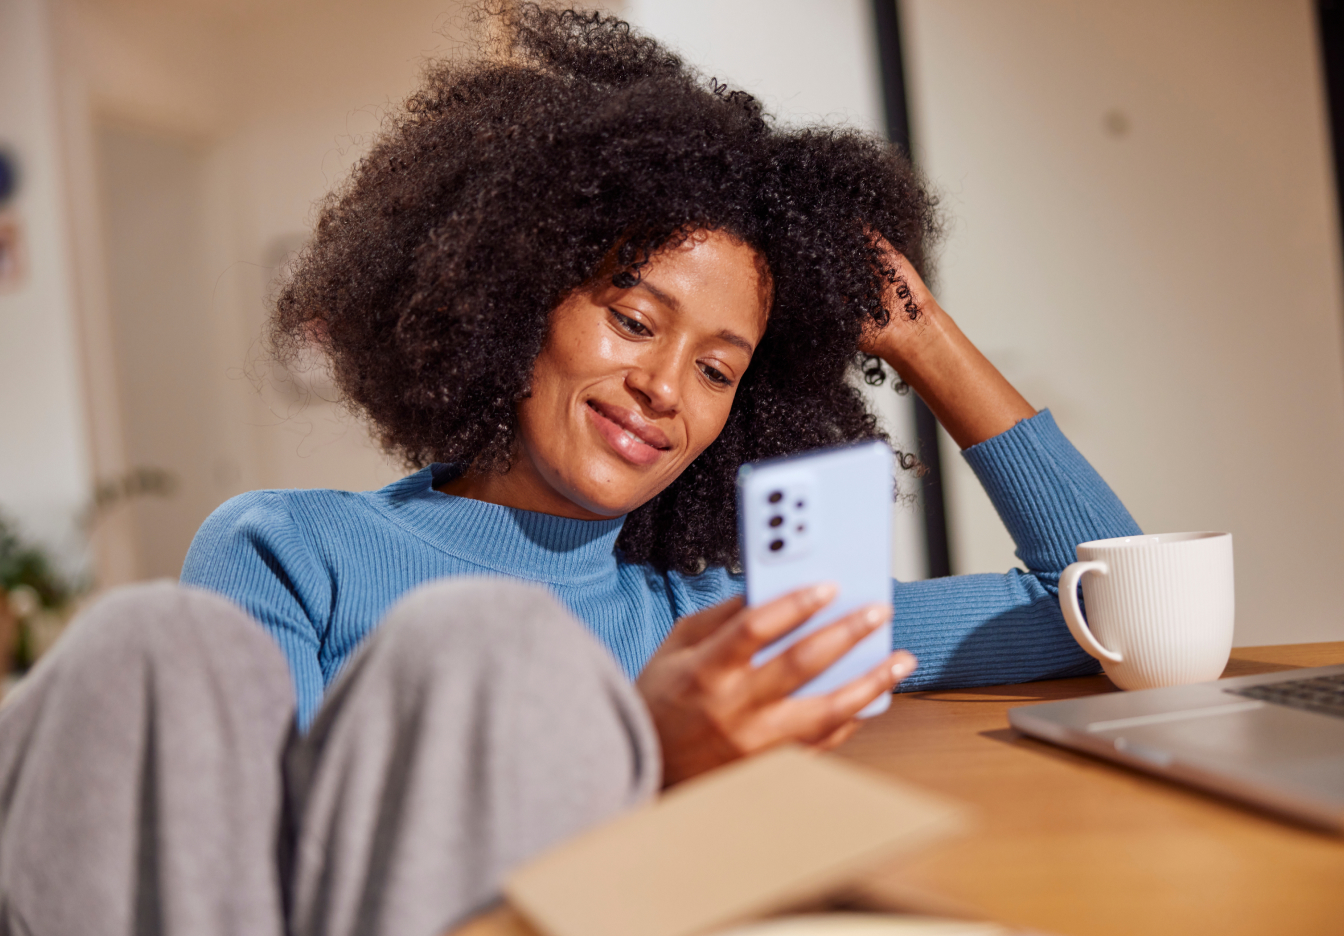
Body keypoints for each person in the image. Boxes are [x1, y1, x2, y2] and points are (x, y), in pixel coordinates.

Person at [0, 5, 1140, 934]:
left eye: (718, 370)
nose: (664, 391)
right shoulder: (293, 552)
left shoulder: (716, 629)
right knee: (146, 642)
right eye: (634, 319)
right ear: (517, 287)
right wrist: (638, 753)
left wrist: (923, 337)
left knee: (491, 645)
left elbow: (1105, 607)